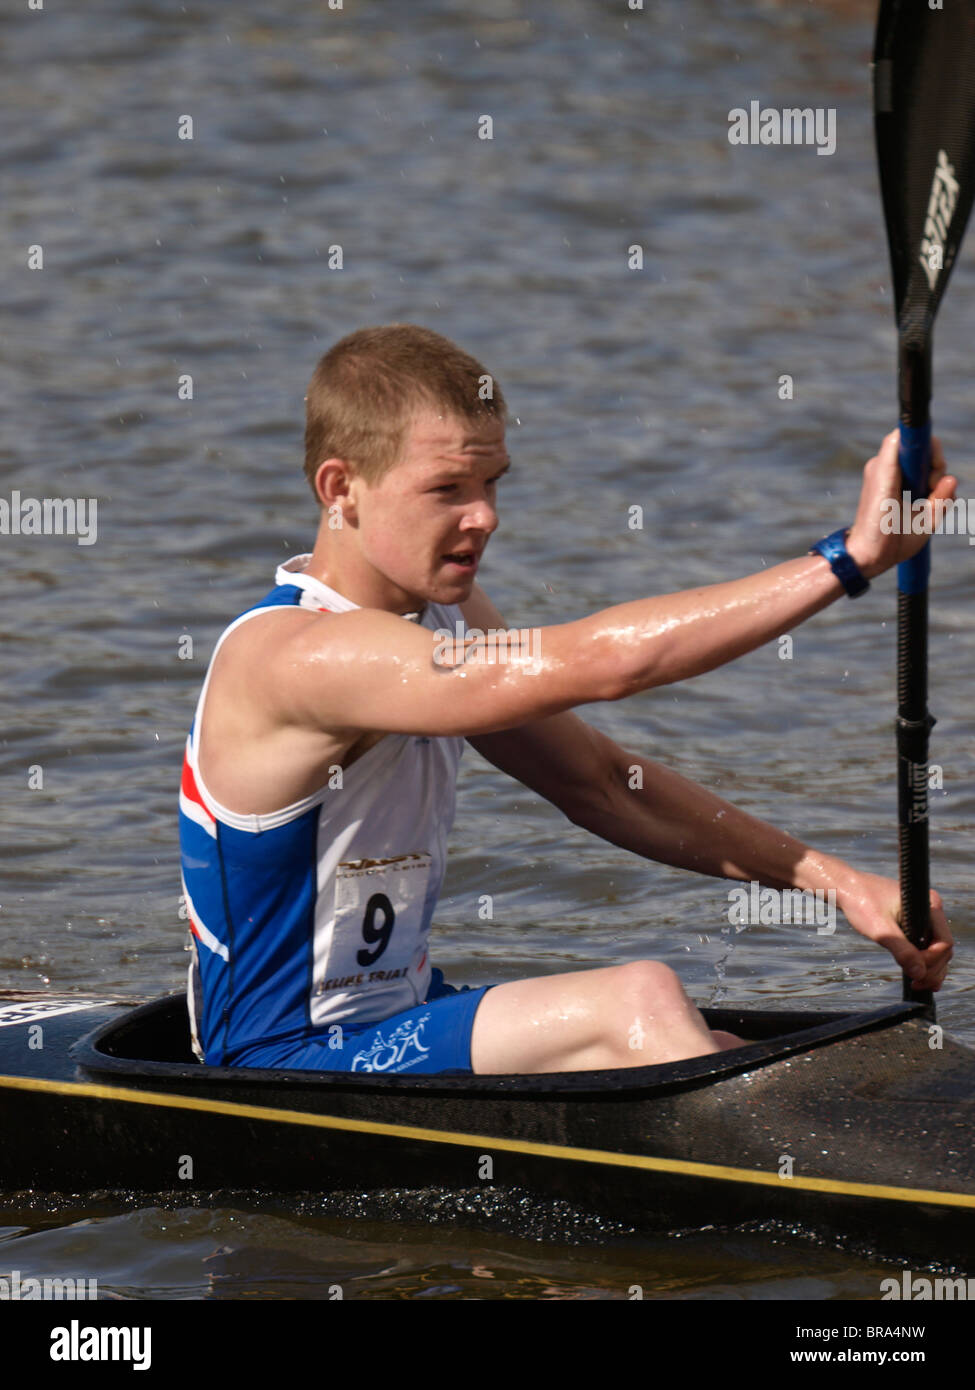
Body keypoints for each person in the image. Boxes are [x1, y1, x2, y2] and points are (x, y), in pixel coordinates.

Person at [178, 324, 954, 1076]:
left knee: (706, 1044)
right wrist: (846, 561)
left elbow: (605, 786)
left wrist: (841, 884)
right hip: (284, 1061)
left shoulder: (446, 614)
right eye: (446, 489)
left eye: (491, 484)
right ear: (340, 488)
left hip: (397, 1019)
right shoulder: (298, 656)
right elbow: (605, 663)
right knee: (640, 1003)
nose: (483, 517)